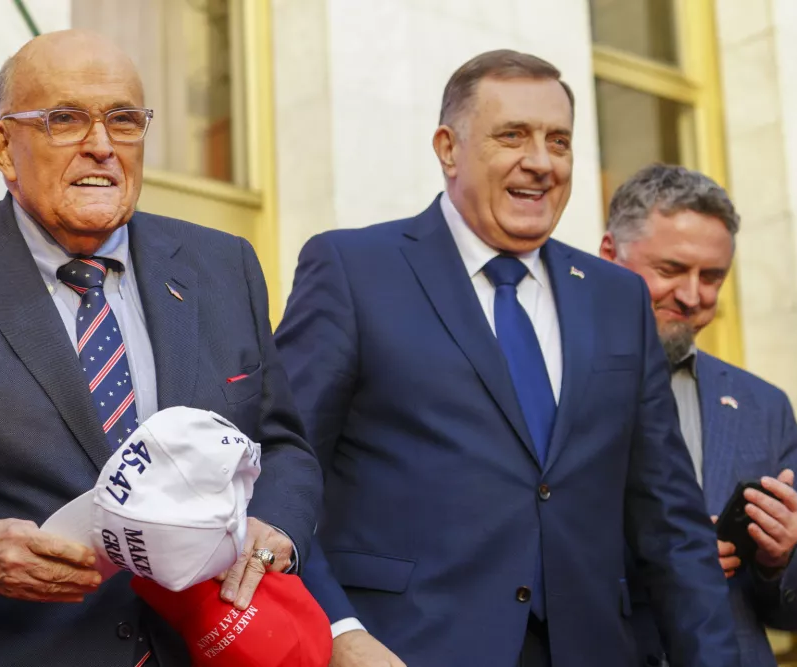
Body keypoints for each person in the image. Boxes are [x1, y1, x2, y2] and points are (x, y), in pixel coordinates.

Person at [0, 29, 321, 667]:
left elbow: (282, 444)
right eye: (65, 119)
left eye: (123, 120)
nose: (101, 145)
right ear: (2, 146)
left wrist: (275, 531)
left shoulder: (223, 264)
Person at [274, 49, 741, 667]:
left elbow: (673, 526)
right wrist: (337, 630)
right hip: (402, 650)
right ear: (448, 148)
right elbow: (280, 468)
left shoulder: (617, 298)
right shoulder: (354, 270)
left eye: (559, 141)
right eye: (513, 135)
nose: (541, 162)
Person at [599, 164, 797, 667]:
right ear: (609, 255)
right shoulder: (551, 379)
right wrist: (666, 554)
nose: (692, 296)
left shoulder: (764, 406)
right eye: (670, 269)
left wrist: (781, 557)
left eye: (712, 277)